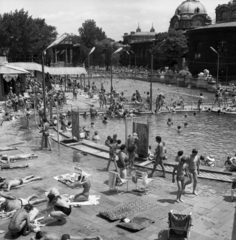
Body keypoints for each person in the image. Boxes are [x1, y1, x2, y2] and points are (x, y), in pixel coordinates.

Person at [30, 231, 103, 240]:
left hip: (63, 239)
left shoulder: (44, 237)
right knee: (82, 238)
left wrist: (33, 238)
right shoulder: (47, 233)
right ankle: (96, 237)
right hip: (64, 235)